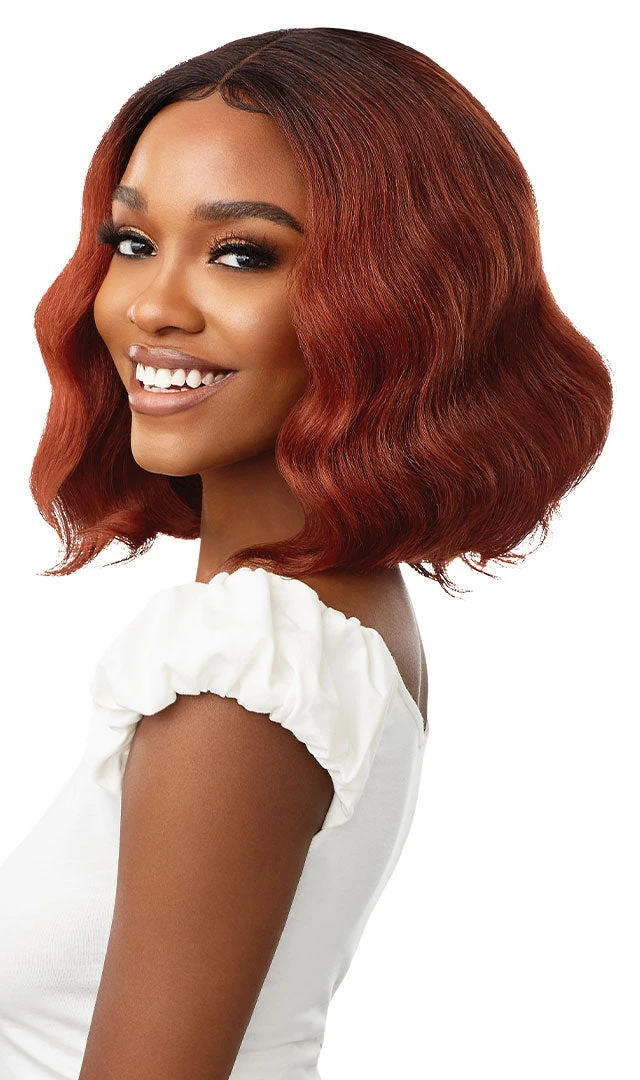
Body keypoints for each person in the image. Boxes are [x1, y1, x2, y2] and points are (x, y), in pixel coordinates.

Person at [0, 26, 612, 1080]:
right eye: (133, 242)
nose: (152, 306)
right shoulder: (330, 611)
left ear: (397, 298)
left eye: (241, 253)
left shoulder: (244, 664)